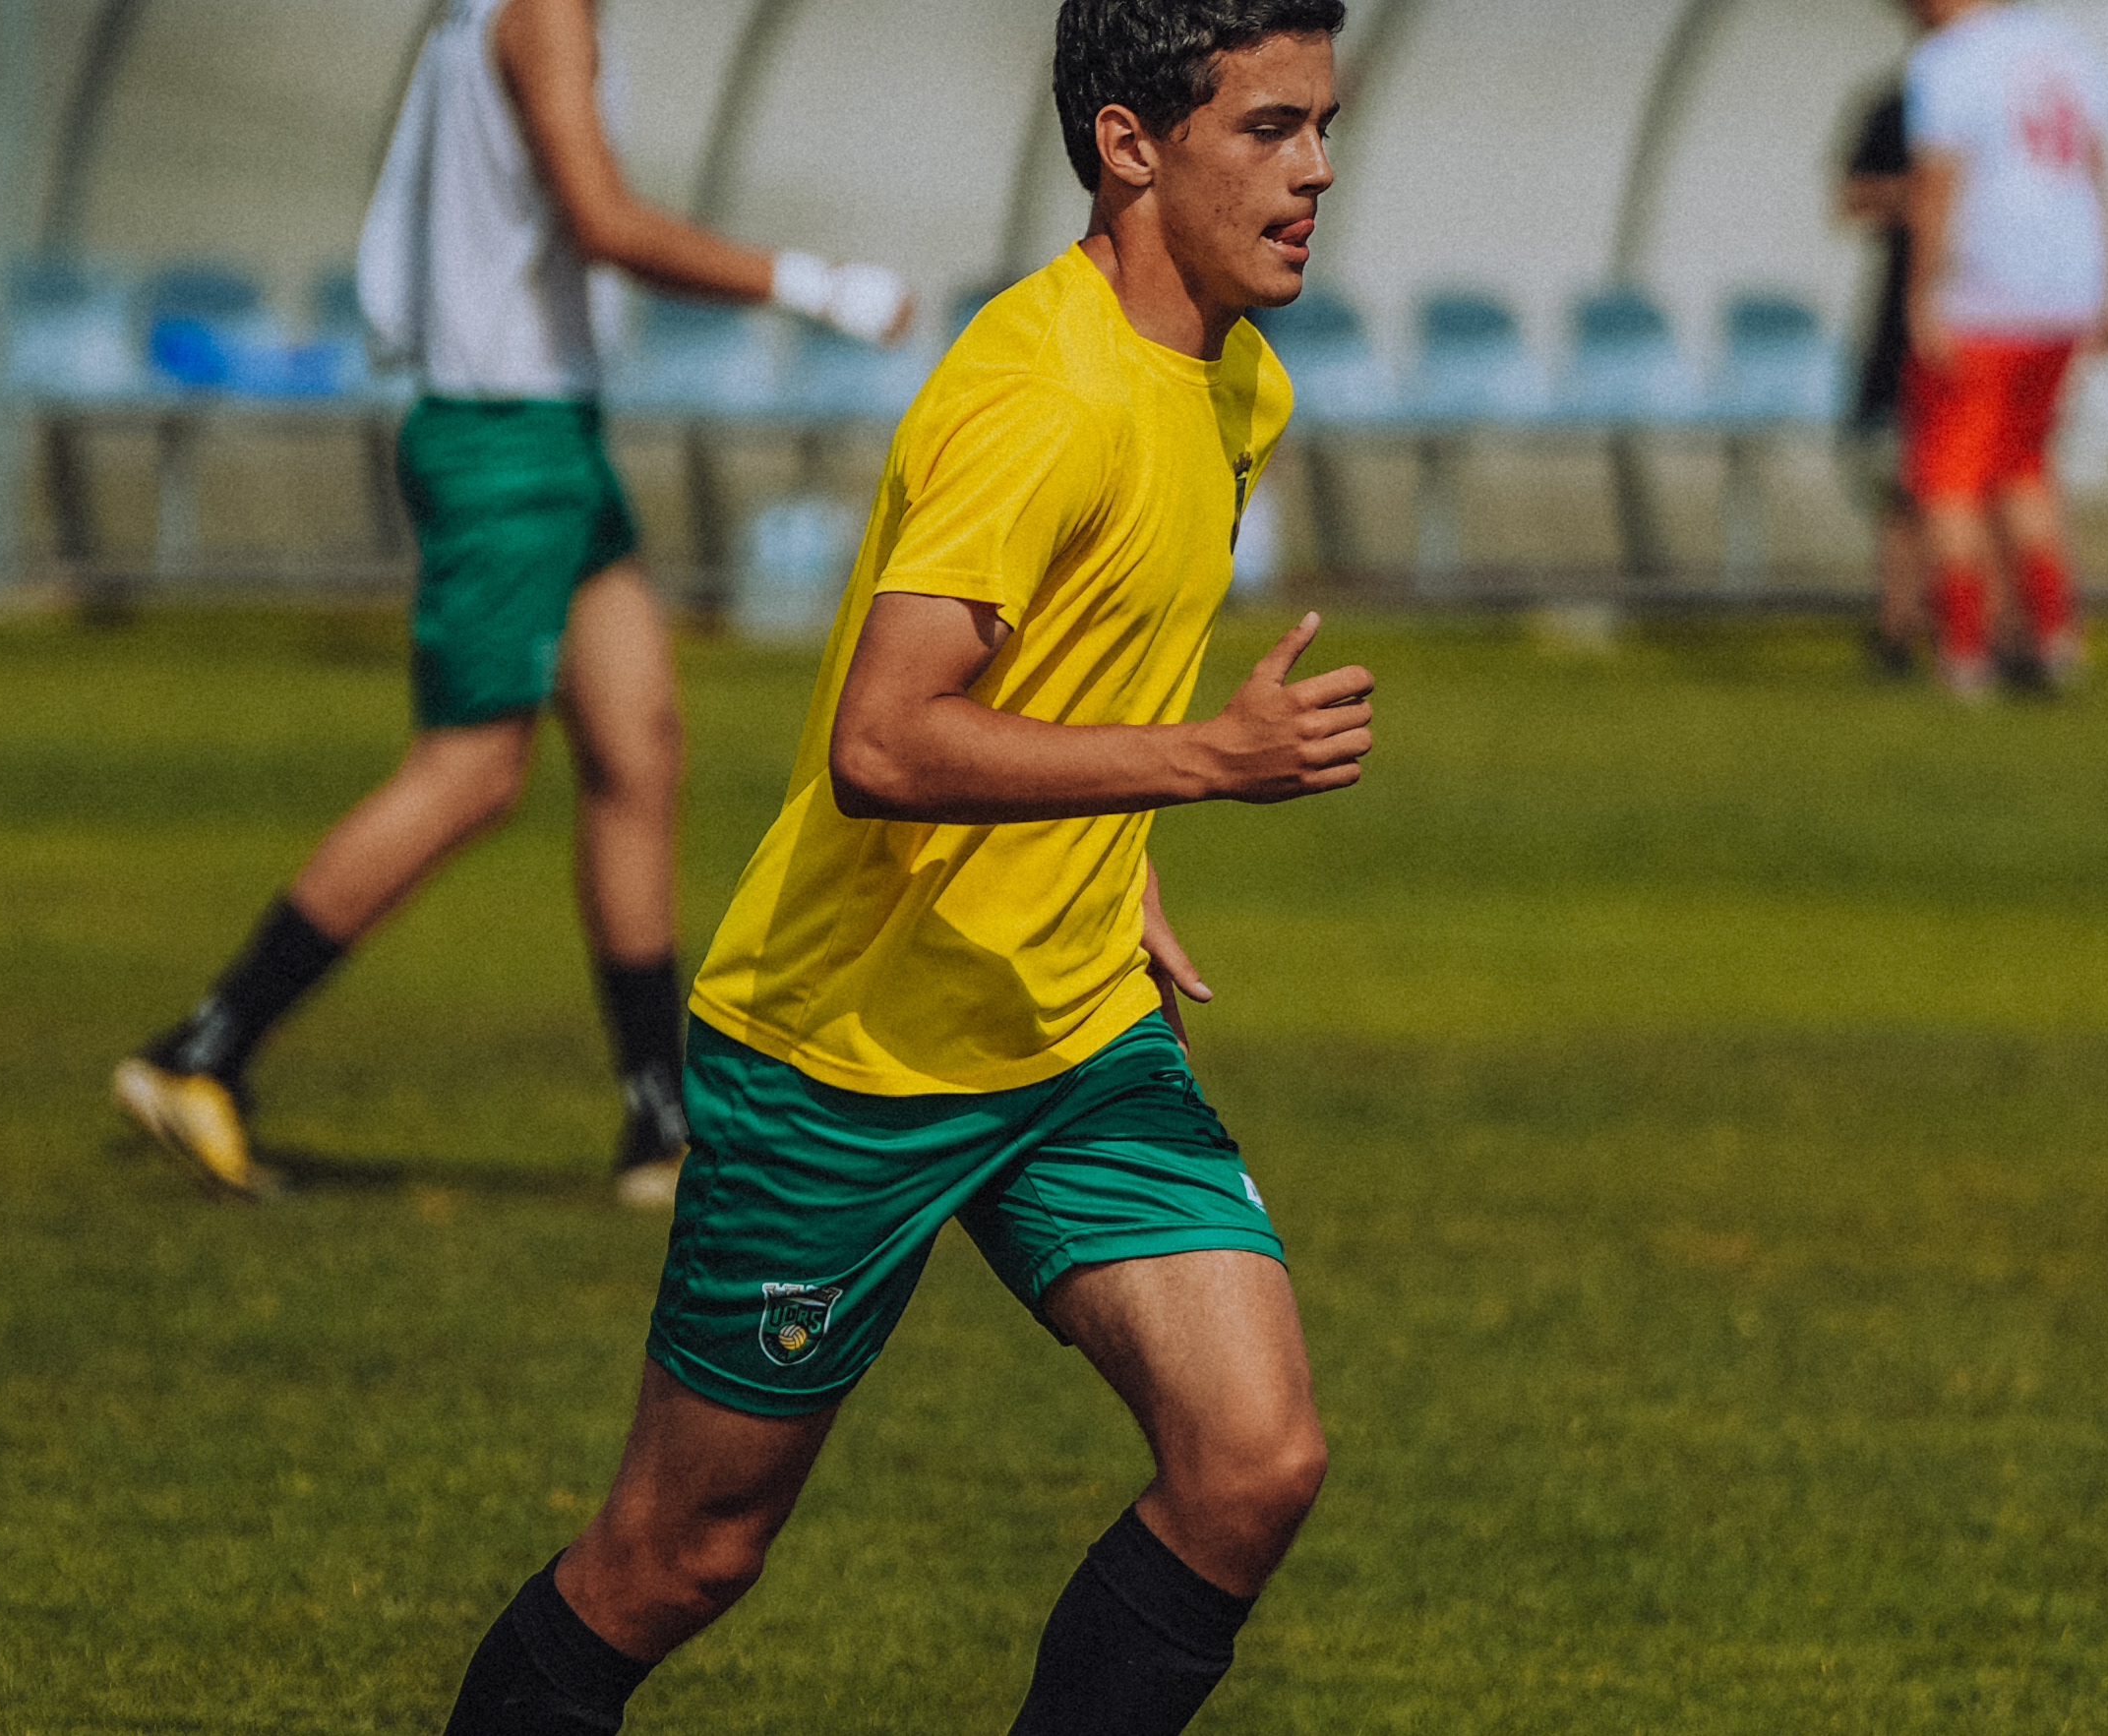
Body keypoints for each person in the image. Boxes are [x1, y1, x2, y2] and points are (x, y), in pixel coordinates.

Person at [430, 2, 1367, 1730]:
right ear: (1128, 144)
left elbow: (1080, 668)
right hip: (846, 1059)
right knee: (679, 1558)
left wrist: (1119, 858)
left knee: (1254, 1461)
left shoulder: (1238, 382)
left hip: (1070, 1032)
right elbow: (882, 742)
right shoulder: (1037, 394)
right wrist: (1202, 765)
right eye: (1269, 128)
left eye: (1323, 126)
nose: (1316, 170)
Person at [110, 0, 914, 1205]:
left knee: (640, 747)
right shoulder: (544, 11)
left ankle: (659, 1122)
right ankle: (201, 1051)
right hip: (505, 440)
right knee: (473, 770)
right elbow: (604, 222)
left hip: (550, 430)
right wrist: (821, 287)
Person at [1900, 0, 2108, 699]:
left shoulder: (1949, 61)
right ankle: (2054, 637)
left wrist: (1922, 293)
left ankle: (1965, 650)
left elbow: (1939, 184)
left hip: (1984, 293)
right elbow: (2096, 172)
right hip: (2064, 293)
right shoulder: (2068, 50)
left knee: (1950, 476)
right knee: (2024, 465)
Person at [1836, 77, 1924, 678]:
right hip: (1904, 320)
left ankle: (1991, 635)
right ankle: (1897, 631)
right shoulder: (1899, 105)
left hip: (1995, 323)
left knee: (1989, 481)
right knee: (1899, 475)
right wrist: (1926, 195)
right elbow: (1853, 200)